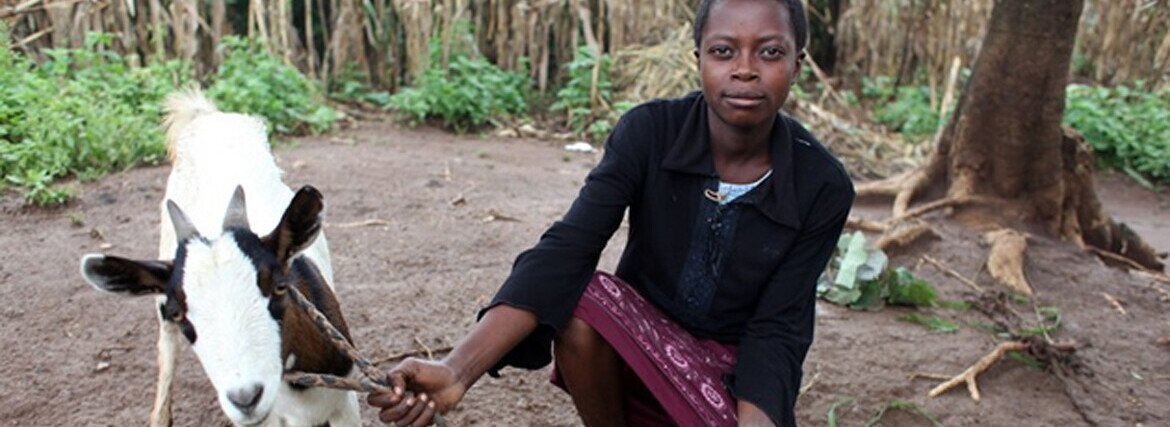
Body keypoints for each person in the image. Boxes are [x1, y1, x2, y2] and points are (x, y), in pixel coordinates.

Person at [367, 0, 854, 425]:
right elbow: (567, 249)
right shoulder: (649, 133)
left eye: (770, 52)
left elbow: (777, 328)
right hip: (638, 354)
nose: (745, 69)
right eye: (723, 51)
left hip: (734, 376)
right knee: (585, 299)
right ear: (698, 59)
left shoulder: (822, 186)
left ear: (798, 64)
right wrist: (456, 370)